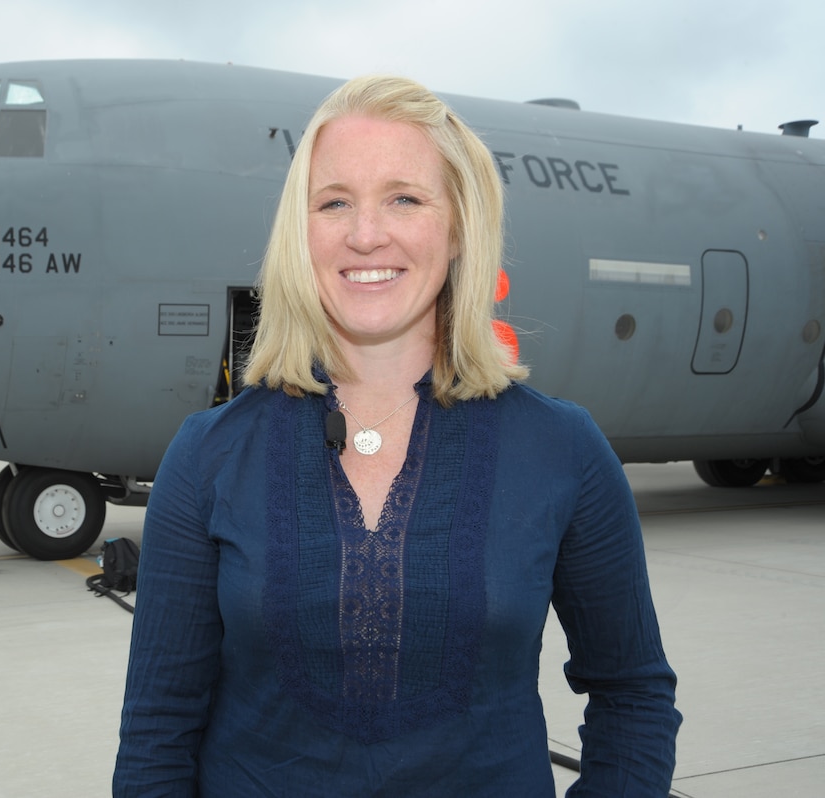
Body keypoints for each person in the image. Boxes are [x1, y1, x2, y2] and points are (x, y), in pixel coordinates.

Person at [114, 75, 680, 796]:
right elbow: (158, 730)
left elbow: (632, 694)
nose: (364, 233)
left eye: (405, 198)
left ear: (458, 229)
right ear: (302, 232)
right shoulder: (209, 455)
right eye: (334, 202)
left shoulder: (563, 449)